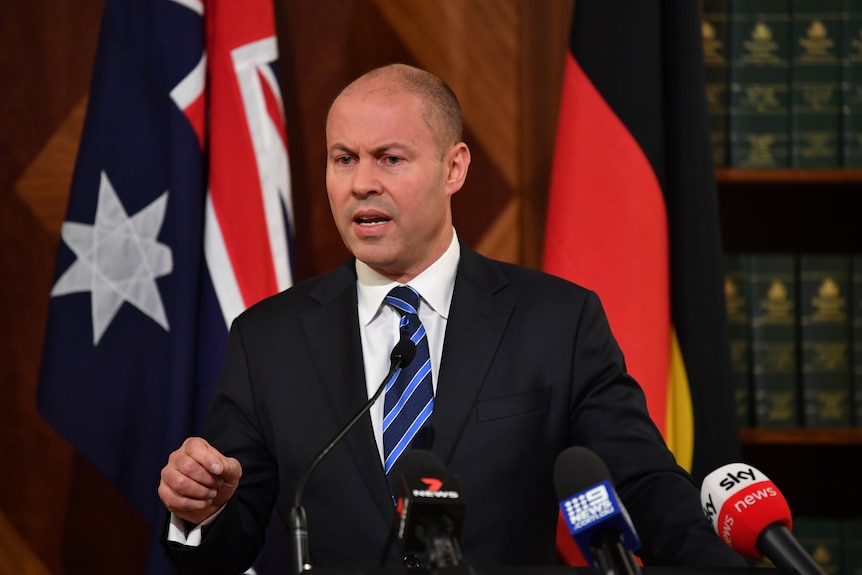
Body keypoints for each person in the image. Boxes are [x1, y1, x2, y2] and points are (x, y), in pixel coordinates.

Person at [158, 63, 746, 574]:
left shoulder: (556, 322)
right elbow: (226, 548)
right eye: (344, 159)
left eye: (390, 158)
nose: (362, 183)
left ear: (454, 168)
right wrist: (200, 514)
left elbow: (643, 485)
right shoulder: (269, 340)